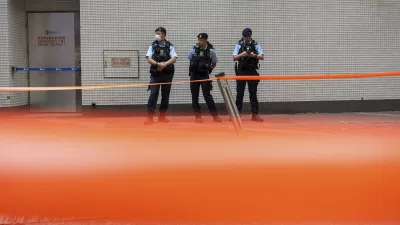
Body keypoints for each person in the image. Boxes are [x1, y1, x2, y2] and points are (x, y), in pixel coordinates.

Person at [144, 27, 177, 125]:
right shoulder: (152, 45)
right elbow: (149, 58)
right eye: (156, 33)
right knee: (153, 94)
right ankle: (150, 117)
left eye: (159, 33)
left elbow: (174, 58)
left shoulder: (170, 46)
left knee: (165, 95)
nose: (157, 35)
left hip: (167, 73)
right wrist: (158, 65)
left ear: (164, 34)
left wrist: (164, 64)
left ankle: (162, 116)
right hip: (156, 73)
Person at [188, 33, 222, 123]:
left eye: (202, 40)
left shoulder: (211, 51)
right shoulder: (194, 49)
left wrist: (209, 68)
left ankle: (215, 115)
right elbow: (190, 58)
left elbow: (214, 62)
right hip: (194, 75)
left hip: (204, 75)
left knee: (207, 95)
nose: (200, 41)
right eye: (199, 40)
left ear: (206, 40)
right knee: (194, 96)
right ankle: (197, 116)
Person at [232, 28, 264, 122]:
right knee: (239, 93)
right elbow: (234, 58)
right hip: (241, 71)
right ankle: (237, 114)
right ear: (243, 36)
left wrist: (253, 55)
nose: (247, 38)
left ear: (251, 36)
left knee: (253, 93)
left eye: (249, 36)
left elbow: (262, 57)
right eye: (246, 36)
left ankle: (255, 114)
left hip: (252, 70)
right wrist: (243, 54)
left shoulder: (255, 44)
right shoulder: (239, 44)